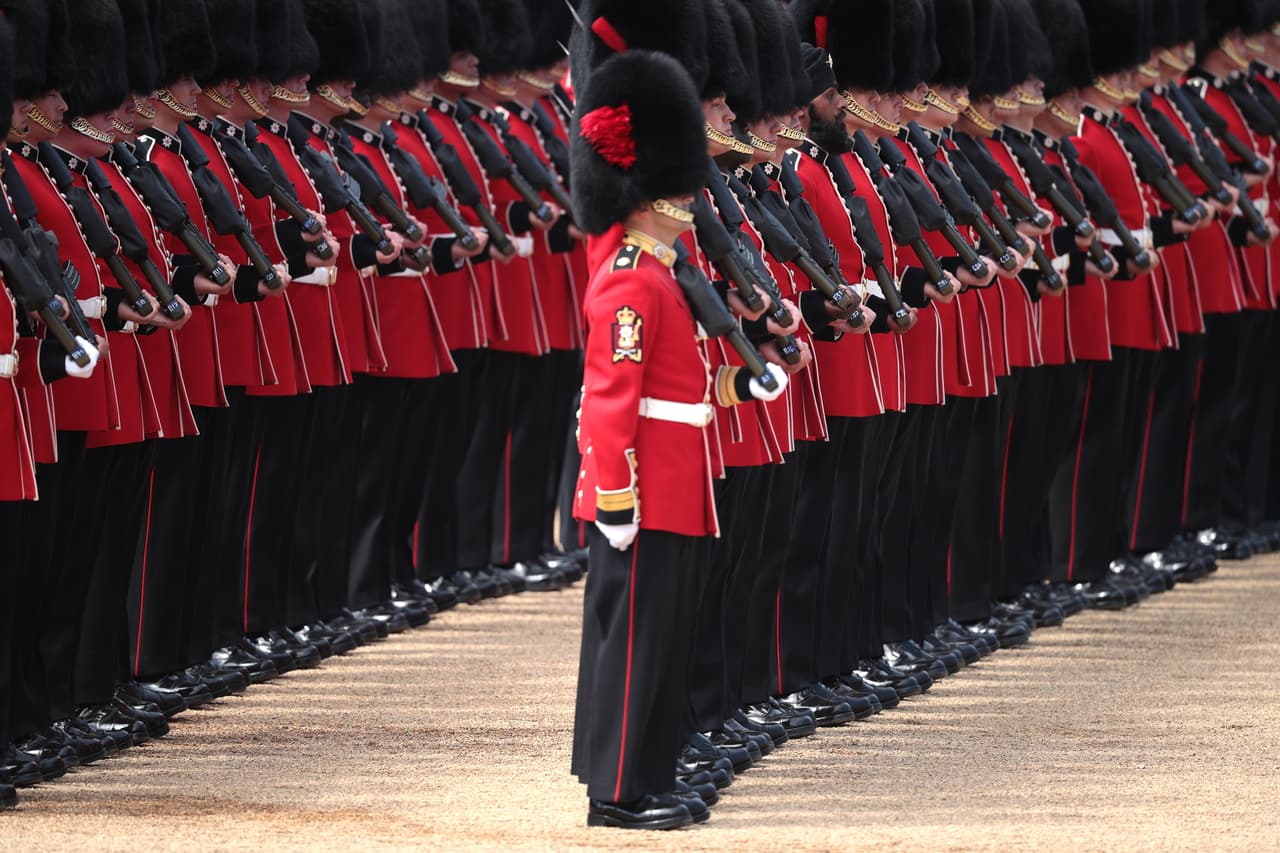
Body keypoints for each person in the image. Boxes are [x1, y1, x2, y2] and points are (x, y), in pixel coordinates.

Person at [567, 47, 787, 829]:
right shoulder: (631, 276)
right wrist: (616, 497)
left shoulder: (660, 270)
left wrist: (741, 384)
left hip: (677, 481)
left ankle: (649, 773)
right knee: (635, 646)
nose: (692, 198)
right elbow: (611, 401)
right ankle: (618, 792)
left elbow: (680, 389)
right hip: (645, 490)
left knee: (663, 643)